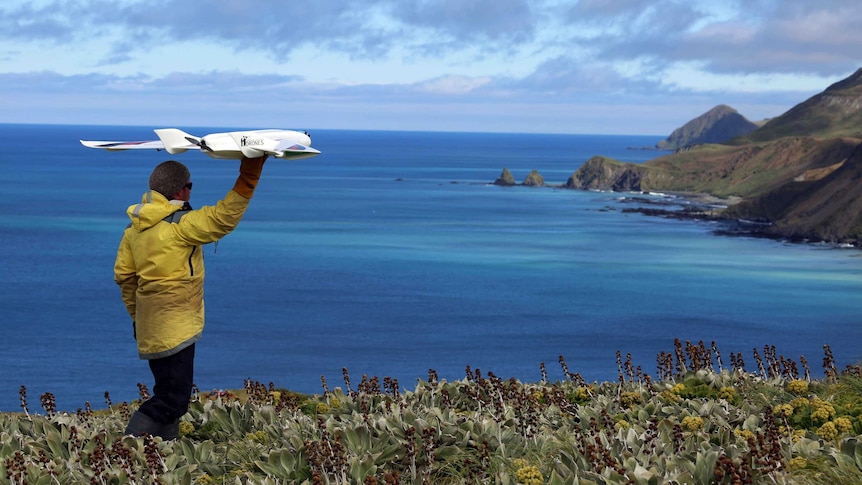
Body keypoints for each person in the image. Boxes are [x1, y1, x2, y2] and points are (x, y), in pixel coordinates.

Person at [114, 156, 267, 439]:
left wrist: (137, 317)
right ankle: (129, 447)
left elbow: (124, 277)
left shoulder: (133, 229)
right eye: (190, 185)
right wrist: (251, 170)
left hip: (150, 324)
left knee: (169, 393)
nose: (191, 191)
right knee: (173, 399)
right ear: (180, 191)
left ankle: (162, 450)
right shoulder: (179, 226)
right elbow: (223, 217)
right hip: (176, 324)